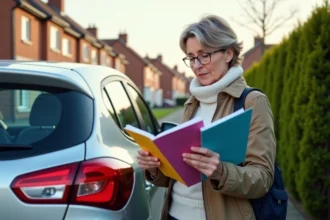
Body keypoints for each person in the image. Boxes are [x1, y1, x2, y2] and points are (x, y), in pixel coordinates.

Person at [137, 14, 276, 220]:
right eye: (191, 57)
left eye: (204, 55)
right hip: (174, 214)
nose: (196, 65)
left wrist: (220, 171)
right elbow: (181, 174)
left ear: (228, 53)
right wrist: (155, 167)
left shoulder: (252, 102)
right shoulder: (192, 102)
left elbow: (263, 178)